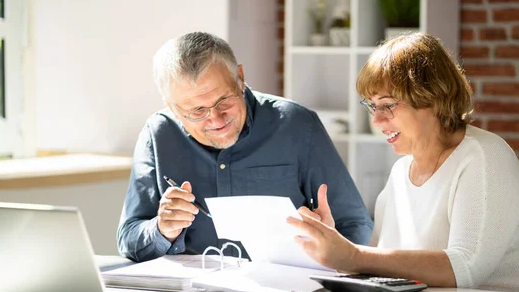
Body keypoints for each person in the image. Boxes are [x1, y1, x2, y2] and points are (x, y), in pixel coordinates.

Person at [288, 32, 519, 292]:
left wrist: (352, 255)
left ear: (433, 98)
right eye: (371, 106)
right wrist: (330, 246)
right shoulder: (400, 174)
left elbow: (465, 267)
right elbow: (379, 262)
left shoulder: (484, 156)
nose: (376, 121)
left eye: (387, 105)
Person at [118, 32, 373, 262]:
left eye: (224, 100)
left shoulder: (297, 126)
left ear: (240, 77)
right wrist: (162, 230)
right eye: (197, 111)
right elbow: (128, 239)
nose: (216, 119)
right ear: (172, 107)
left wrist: (330, 253)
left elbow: (357, 225)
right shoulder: (158, 134)